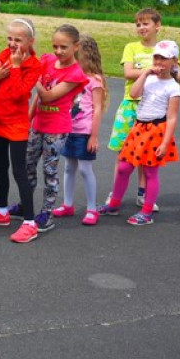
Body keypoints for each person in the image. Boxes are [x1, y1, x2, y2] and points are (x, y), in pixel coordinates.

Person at [108, 8, 180, 210]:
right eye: (138, 24)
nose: (141, 27)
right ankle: (115, 194)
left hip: (155, 111)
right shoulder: (132, 48)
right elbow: (128, 72)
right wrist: (149, 71)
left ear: (157, 26)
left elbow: (175, 78)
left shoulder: (166, 51)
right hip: (131, 105)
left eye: (145, 23)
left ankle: (143, 195)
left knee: (146, 158)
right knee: (124, 153)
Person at [13, 24, 87, 243]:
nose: (58, 51)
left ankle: (47, 212)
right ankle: (25, 204)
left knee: (49, 170)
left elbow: (47, 96)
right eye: (55, 46)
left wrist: (34, 79)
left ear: (76, 46)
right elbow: (38, 99)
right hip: (38, 124)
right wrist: (28, 119)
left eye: (64, 47)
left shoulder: (75, 74)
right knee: (27, 165)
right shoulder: (47, 60)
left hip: (57, 129)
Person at [99, 40, 180, 225]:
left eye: (164, 58)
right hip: (138, 128)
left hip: (156, 131)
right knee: (123, 168)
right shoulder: (149, 79)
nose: (159, 62)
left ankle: (146, 212)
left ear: (174, 62)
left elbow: (172, 118)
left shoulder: (173, 87)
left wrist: (165, 143)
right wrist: (145, 73)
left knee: (150, 172)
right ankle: (113, 204)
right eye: (156, 57)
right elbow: (134, 94)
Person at [0, 18, 43, 230]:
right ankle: (1, 211)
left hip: (16, 125)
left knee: (19, 171)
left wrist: (15, 67)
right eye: (9, 38)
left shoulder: (34, 65)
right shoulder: (3, 55)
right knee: (0, 167)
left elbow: (18, 94)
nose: (12, 44)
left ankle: (29, 221)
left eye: (18, 40)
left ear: (30, 41)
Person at [57, 35, 107, 225]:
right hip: (68, 128)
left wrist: (94, 136)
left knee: (85, 169)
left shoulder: (94, 80)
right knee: (68, 167)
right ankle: (67, 204)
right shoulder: (72, 75)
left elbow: (98, 108)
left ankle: (92, 209)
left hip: (84, 131)